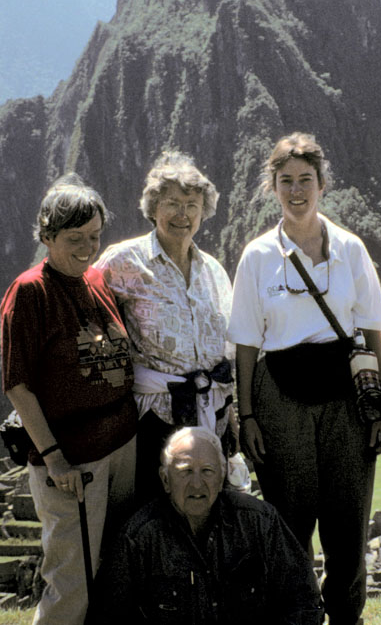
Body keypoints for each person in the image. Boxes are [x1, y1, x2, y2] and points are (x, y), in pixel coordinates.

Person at [228, 133, 381, 625]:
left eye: (305, 180)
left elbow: (372, 330)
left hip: (345, 399)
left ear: (322, 184)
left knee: (348, 521)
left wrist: (378, 409)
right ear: (271, 188)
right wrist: (248, 414)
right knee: (290, 521)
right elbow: (245, 344)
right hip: (280, 397)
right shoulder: (258, 256)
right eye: (286, 182)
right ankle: (296, 616)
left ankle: (347, 616)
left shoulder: (350, 248)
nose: (296, 191)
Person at [0, 174, 138, 625]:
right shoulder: (30, 292)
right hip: (73, 462)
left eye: (95, 237)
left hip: (121, 446)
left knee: (115, 570)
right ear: (46, 236)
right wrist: (54, 458)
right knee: (71, 582)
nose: (87, 248)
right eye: (74, 238)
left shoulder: (97, 280)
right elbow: (18, 384)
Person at [95, 151, 235, 502]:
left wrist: (230, 412)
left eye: (192, 204)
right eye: (172, 203)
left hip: (211, 415)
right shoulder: (124, 261)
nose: (182, 214)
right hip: (152, 419)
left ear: (204, 211)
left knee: (206, 513)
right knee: (154, 512)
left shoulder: (213, 271)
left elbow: (229, 345)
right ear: (153, 207)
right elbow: (85, 318)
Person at [88, 427, 324, 624]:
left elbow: (303, 601)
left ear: (222, 478)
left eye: (207, 472)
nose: (197, 484)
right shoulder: (140, 537)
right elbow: (108, 616)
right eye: (185, 472)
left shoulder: (259, 521)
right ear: (165, 480)